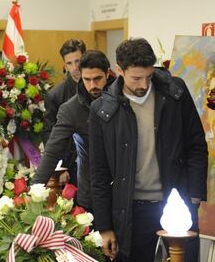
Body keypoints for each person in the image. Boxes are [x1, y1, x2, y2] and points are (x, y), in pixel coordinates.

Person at [89, 38, 208, 262]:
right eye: (136, 78)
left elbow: (196, 145)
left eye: (148, 76)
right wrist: (104, 227)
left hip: (176, 204)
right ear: (119, 70)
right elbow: (99, 172)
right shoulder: (102, 110)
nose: (143, 84)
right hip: (132, 210)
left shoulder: (176, 92)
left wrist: (194, 197)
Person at [33, 50, 113, 212]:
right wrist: (35, 189)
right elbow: (53, 151)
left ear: (108, 74)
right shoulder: (71, 108)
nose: (92, 85)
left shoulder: (122, 100)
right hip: (90, 188)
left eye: (97, 79)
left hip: (124, 189)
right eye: (87, 80)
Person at [42, 39, 86, 185]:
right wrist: (58, 168)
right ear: (64, 65)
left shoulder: (100, 87)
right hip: (69, 165)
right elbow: (50, 133)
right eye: (69, 63)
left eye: (78, 61)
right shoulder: (55, 95)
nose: (75, 67)